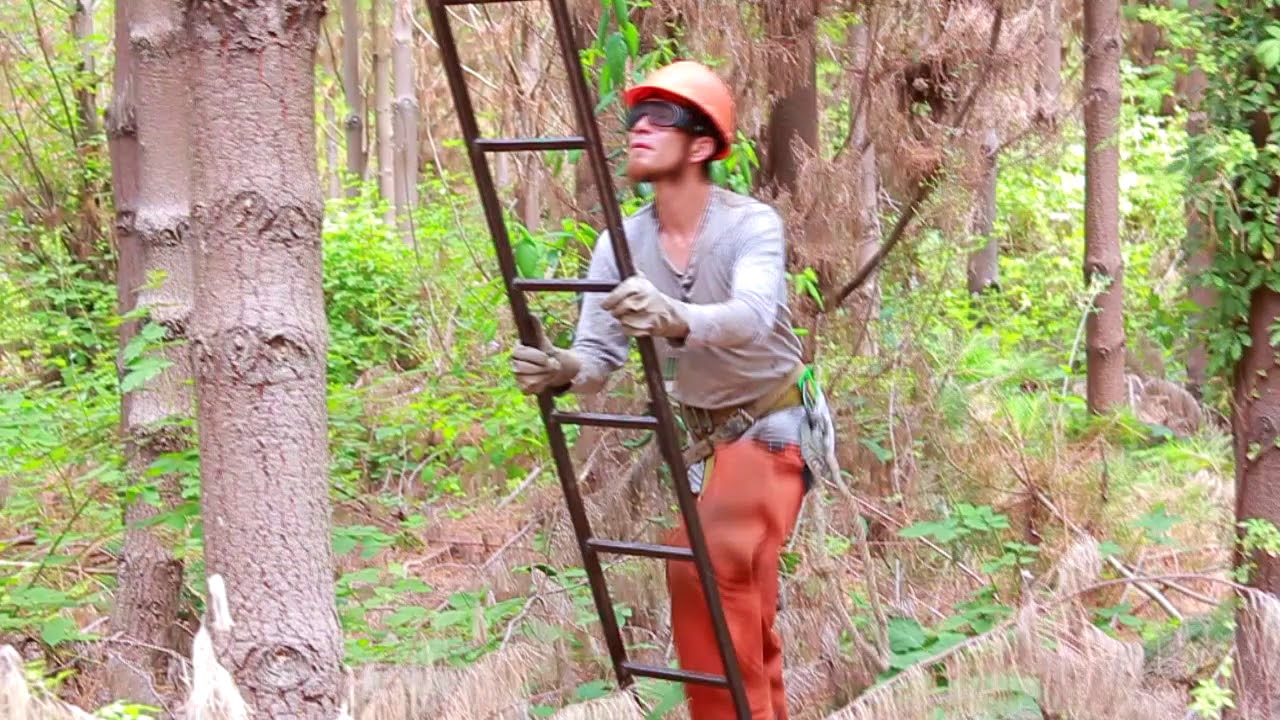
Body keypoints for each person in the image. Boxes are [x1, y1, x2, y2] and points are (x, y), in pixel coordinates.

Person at [509, 59, 838, 720]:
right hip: (705, 441)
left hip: (774, 423)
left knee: (705, 573)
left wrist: (677, 317)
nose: (641, 129)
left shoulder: (750, 227)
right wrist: (563, 367)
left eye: (663, 119)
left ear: (702, 144)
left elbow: (751, 315)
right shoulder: (620, 245)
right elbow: (601, 353)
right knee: (744, 599)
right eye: (635, 118)